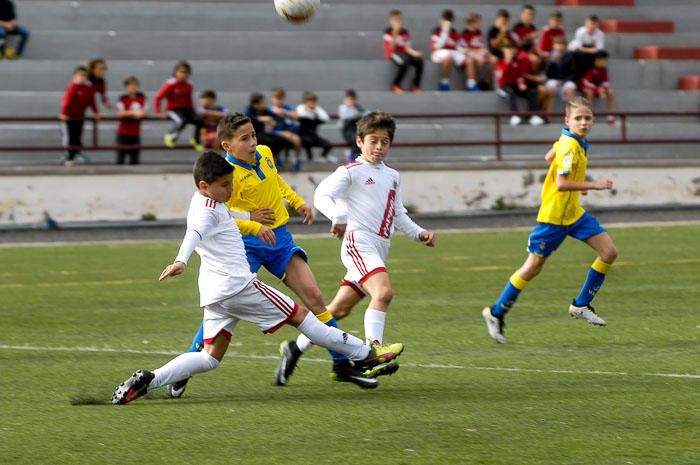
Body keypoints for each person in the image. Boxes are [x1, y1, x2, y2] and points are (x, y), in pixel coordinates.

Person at [111, 151, 405, 404]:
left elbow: (223, 218)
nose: (230, 189)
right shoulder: (206, 214)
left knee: (210, 358)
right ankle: (366, 354)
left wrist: (251, 223)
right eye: (225, 185)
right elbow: (195, 233)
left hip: (215, 294)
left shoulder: (202, 201)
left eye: (231, 182)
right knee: (303, 316)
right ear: (205, 185)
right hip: (239, 287)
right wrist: (180, 260)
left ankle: (149, 380)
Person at [171, 113, 385, 397]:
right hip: (246, 246)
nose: (252, 142)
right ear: (227, 145)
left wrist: (297, 202)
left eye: (253, 135)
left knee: (315, 298)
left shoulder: (265, 153)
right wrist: (252, 221)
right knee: (222, 307)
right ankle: (187, 365)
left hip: (280, 239)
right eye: (244, 138)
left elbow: (276, 180)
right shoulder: (224, 178)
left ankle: (342, 365)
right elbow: (221, 219)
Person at [275, 112, 437, 385]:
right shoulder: (350, 171)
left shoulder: (393, 176)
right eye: (373, 141)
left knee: (337, 310)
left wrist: (419, 233)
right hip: (358, 242)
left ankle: (295, 348)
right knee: (383, 293)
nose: (378, 147)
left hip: (379, 247)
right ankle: (372, 353)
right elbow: (321, 195)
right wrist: (339, 217)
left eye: (384, 142)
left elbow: (397, 214)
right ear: (359, 142)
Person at [482, 96, 618, 344]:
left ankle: (581, 305)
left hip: (574, 214)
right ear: (568, 120)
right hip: (554, 217)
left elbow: (549, 157)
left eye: (588, 118)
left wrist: (579, 184)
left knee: (608, 252)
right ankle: (495, 312)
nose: (584, 122)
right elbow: (561, 182)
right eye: (579, 118)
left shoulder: (571, 140)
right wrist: (592, 184)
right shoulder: (569, 146)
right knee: (532, 267)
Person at [154, 61, 204, 152]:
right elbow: (158, 97)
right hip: (173, 109)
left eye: (185, 72)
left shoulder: (189, 85)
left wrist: (193, 112)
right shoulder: (170, 84)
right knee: (181, 121)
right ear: (175, 72)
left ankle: (195, 140)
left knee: (199, 120)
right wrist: (158, 112)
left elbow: (189, 100)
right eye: (181, 72)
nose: (183, 75)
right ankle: (170, 135)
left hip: (186, 108)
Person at [59, 66, 101, 167]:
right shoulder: (73, 86)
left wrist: (96, 112)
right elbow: (67, 101)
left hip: (80, 116)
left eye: (85, 75)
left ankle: (76, 154)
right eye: (80, 75)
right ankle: (69, 157)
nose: (82, 77)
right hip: (70, 117)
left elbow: (92, 101)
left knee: (78, 136)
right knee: (70, 137)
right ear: (75, 76)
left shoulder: (89, 87)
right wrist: (64, 113)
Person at [495, 42, 543, 127]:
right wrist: (508, 62)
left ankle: (533, 115)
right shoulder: (500, 62)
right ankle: (514, 115)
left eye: (512, 49)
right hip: (503, 85)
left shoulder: (518, 61)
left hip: (515, 85)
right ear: (503, 51)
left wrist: (521, 83)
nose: (510, 51)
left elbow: (519, 75)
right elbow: (501, 77)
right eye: (508, 49)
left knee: (532, 92)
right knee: (510, 93)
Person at [244, 93, 293, 166]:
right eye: (262, 102)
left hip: (263, 133)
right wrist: (260, 119)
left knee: (283, 140)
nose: (264, 104)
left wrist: (275, 121)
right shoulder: (249, 109)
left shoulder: (264, 110)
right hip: (253, 135)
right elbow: (248, 119)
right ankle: (262, 160)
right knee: (269, 142)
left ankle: (273, 157)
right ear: (256, 104)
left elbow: (275, 117)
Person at [382, 9, 423, 94]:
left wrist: (415, 53)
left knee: (419, 61)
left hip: (403, 53)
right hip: (393, 53)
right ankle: (396, 85)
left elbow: (407, 47)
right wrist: (395, 32)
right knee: (405, 62)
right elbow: (391, 47)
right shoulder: (388, 32)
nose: (398, 21)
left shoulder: (405, 32)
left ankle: (416, 85)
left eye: (400, 19)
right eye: (396, 19)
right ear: (391, 21)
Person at [296, 91, 336, 163]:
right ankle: (310, 158)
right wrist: (309, 112)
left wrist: (314, 112)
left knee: (328, 145)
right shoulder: (301, 108)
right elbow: (300, 115)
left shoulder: (317, 109)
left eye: (313, 101)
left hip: (313, 135)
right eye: (310, 101)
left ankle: (323, 156)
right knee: (307, 141)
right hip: (303, 135)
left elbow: (326, 118)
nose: (312, 103)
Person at [115, 76, 147, 165]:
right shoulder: (122, 98)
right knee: (120, 159)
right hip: (123, 133)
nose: (133, 87)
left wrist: (140, 113)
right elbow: (119, 113)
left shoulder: (141, 97)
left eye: (135, 85)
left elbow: (145, 112)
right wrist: (133, 112)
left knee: (135, 160)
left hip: (135, 134)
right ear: (126, 87)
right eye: (130, 85)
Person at [430, 9, 464, 91]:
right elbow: (438, 46)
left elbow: (458, 47)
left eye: (449, 20)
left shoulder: (454, 32)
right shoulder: (436, 31)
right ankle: (444, 83)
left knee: (469, 60)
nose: (447, 23)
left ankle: (471, 84)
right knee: (448, 57)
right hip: (437, 53)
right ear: (441, 20)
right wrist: (445, 31)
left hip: (452, 53)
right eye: (445, 20)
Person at [579, 50, 616, 125]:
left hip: (598, 88)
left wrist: (603, 89)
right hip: (585, 87)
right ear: (597, 60)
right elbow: (586, 82)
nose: (606, 62)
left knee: (610, 92)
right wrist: (598, 90)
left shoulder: (603, 70)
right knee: (590, 93)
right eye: (604, 60)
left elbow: (605, 82)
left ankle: (610, 116)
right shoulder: (590, 69)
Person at [270, 87, 303, 170]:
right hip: (275, 132)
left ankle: (297, 159)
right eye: (276, 98)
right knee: (283, 138)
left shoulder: (287, 108)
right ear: (272, 99)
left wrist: (285, 112)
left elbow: (296, 117)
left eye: (280, 98)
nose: (278, 101)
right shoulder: (270, 110)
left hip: (288, 132)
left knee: (297, 139)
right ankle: (277, 158)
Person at [458, 13, 493, 92]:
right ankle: (472, 83)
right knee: (480, 60)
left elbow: (480, 46)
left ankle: (485, 82)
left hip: (479, 55)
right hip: (469, 57)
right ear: (472, 23)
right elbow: (464, 50)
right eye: (478, 22)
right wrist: (479, 51)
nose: (480, 24)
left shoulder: (479, 33)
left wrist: (485, 52)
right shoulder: (465, 34)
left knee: (494, 60)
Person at [544, 35, 577, 102]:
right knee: (550, 90)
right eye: (557, 44)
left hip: (566, 80)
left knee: (570, 90)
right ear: (554, 46)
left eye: (561, 45)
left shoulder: (569, 57)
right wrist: (552, 62)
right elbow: (547, 74)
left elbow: (573, 73)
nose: (559, 47)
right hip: (553, 80)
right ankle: (548, 111)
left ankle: (572, 111)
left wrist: (563, 81)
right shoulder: (550, 56)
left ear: (565, 46)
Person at [338, 89, 368, 162]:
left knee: (360, 143)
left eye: (353, 99)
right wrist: (357, 114)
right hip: (347, 130)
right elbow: (345, 116)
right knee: (355, 143)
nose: (351, 101)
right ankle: (351, 157)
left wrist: (359, 111)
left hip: (355, 129)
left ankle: (356, 158)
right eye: (349, 99)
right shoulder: (343, 107)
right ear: (345, 99)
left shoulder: (358, 107)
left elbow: (367, 113)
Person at [512, 5, 541, 71]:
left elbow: (535, 43)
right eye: (526, 14)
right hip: (518, 52)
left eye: (531, 14)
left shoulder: (533, 27)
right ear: (521, 15)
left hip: (530, 51)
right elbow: (516, 44)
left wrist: (540, 52)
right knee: (535, 60)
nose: (528, 16)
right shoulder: (516, 28)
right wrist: (529, 37)